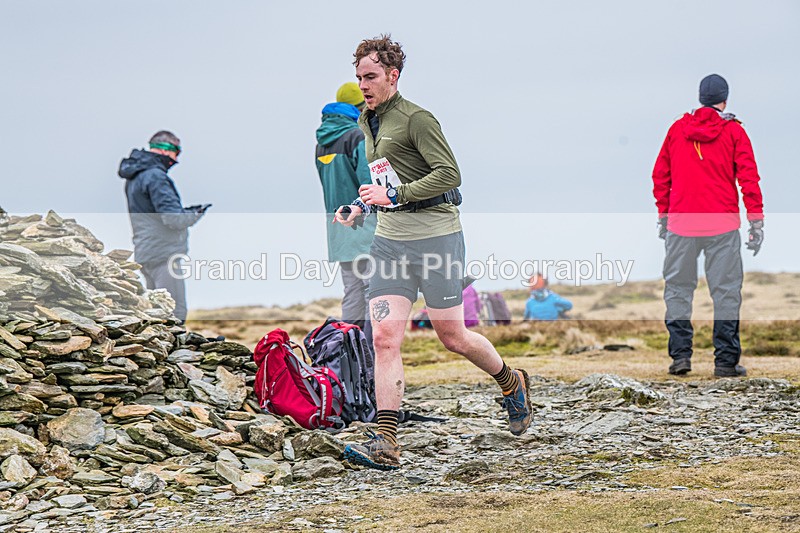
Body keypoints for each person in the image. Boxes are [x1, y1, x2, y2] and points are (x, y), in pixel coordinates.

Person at [335, 35, 532, 471]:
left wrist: (399, 194)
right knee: (385, 338)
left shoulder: (416, 119)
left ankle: (511, 381)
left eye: (371, 77)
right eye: (359, 78)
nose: (363, 85)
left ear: (393, 75)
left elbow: (448, 174)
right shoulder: (369, 122)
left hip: (437, 239)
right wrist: (361, 206)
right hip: (389, 242)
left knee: (453, 337)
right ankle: (386, 440)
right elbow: (388, 184)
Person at [652, 74, 764, 378]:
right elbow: (749, 179)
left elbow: (660, 174)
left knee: (678, 290)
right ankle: (726, 362)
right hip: (722, 225)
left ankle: (680, 359)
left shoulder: (677, 130)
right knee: (726, 292)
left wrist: (664, 215)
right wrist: (756, 221)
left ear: (701, 98)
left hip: (681, 224)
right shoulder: (734, 132)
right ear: (724, 100)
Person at [118, 130, 209, 322]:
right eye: (177, 152)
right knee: (173, 314)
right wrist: (195, 213)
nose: (177, 159)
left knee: (156, 314)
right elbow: (174, 220)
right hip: (164, 255)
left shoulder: (135, 176)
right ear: (167, 150)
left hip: (145, 252)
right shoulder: (156, 177)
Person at [315, 82, 376, 341]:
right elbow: (368, 184)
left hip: (338, 230)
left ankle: (351, 358)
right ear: (360, 106)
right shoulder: (357, 136)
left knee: (352, 293)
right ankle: (374, 357)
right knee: (374, 292)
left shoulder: (322, 143)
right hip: (364, 225)